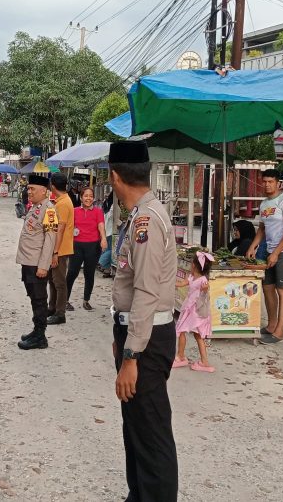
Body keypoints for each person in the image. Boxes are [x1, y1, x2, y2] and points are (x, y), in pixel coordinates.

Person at [109, 140, 178, 502]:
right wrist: (121, 340)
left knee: (151, 434)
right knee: (136, 427)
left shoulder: (146, 221)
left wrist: (132, 355)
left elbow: (147, 292)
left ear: (115, 176)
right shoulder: (142, 214)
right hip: (137, 333)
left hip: (147, 341)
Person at [246, 169, 283, 345]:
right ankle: (270, 326)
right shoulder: (264, 204)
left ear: (279, 183)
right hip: (269, 250)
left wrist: (276, 252)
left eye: (271, 181)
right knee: (267, 287)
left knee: (282, 290)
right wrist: (253, 246)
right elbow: (262, 228)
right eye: (265, 181)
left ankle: (279, 332)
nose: (267, 184)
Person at [16, 174, 58, 350]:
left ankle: (40, 337)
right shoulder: (35, 207)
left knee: (40, 299)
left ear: (44, 191)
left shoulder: (49, 210)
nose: (29, 191)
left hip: (37, 265)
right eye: (28, 188)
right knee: (34, 298)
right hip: (28, 262)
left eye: (32, 189)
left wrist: (43, 266)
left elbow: (50, 239)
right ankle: (36, 330)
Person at [66, 187, 107, 311]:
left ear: (93, 198)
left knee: (89, 274)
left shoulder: (98, 211)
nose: (88, 198)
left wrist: (103, 238)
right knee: (72, 272)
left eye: (90, 196)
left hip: (92, 246)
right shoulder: (74, 211)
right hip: (77, 245)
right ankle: (65, 300)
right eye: (86, 196)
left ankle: (86, 300)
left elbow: (100, 225)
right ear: (81, 197)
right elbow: (68, 227)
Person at [172, 251, 214, 373]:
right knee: (195, 334)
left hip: (196, 311)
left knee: (182, 331)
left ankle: (180, 357)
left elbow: (206, 291)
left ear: (194, 266)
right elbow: (181, 284)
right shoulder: (191, 277)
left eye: (191, 264)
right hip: (191, 310)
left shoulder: (203, 280)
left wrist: (205, 290)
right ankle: (203, 361)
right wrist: (169, 282)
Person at [47, 172, 75, 323]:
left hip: (61, 249)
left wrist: (55, 252)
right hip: (57, 248)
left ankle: (60, 313)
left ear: (52, 186)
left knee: (59, 282)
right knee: (52, 280)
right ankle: (52, 307)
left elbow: (60, 229)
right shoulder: (60, 201)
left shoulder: (64, 203)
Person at [98, 191, 115, 278]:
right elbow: (113, 216)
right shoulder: (113, 205)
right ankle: (101, 261)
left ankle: (106, 269)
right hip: (112, 229)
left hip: (107, 230)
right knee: (111, 250)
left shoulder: (106, 203)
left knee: (107, 249)